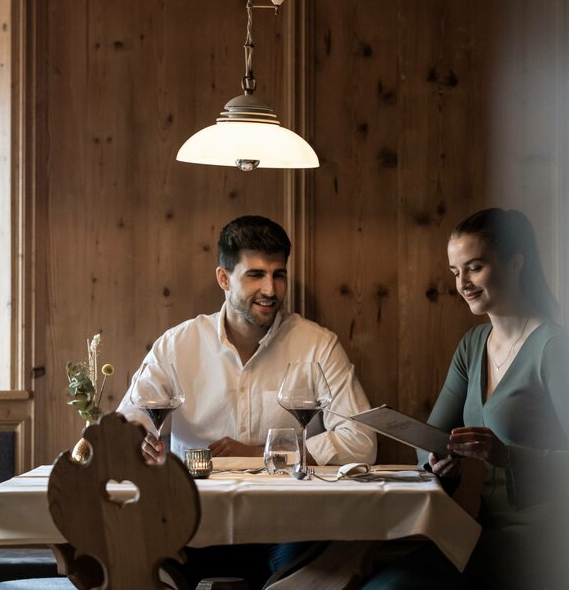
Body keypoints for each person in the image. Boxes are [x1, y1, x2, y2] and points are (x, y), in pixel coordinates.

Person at [118, 214, 377, 586]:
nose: (271, 289)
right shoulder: (177, 346)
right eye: (255, 274)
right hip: (188, 524)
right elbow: (128, 424)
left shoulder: (318, 345)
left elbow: (361, 441)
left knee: (332, 559)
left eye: (279, 274)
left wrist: (265, 454)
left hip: (290, 525)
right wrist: (137, 444)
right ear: (224, 278)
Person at [363, 208, 569, 590]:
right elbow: (431, 442)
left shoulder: (556, 348)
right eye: (456, 272)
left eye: (474, 268)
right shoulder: (472, 345)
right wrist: (440, 463)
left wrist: (507, 455)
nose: (462, 284)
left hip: (554, 543)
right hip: (484, 533)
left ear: (515, 262)